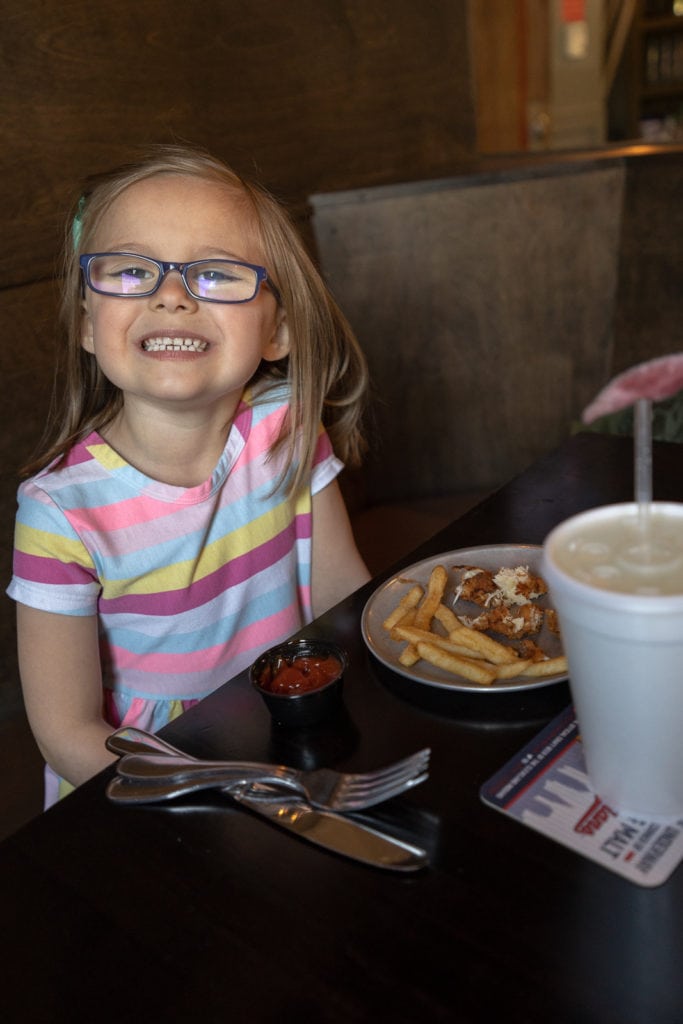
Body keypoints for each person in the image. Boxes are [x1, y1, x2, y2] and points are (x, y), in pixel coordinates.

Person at [7, 144, 370, 806]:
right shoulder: (58, 514)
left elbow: (343, 595)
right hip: (143, 786)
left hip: (286, 728)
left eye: (217, 274)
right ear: (89, 324)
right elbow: (67, 732)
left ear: (277, 329)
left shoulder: (285, 424)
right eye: (129, 270)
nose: (171, 296)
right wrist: (208, 795)